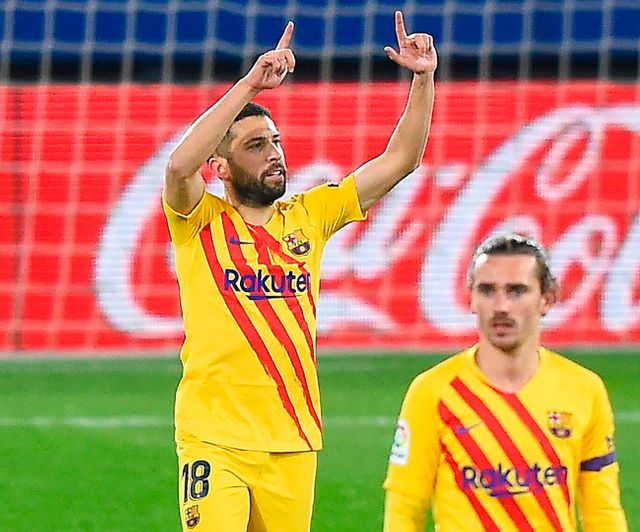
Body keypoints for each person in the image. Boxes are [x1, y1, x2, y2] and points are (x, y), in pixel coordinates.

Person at [162, 11, 436, 532]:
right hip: (212, 436)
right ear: (220, 168)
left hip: (294, 436)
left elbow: (402, 158)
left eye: (277, 142)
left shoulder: (310, 216)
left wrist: (422, 80)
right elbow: (178, 168)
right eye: (256, 145)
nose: (275, 154)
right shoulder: (198, 221)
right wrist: (249, 86)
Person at [382, 233, 629, 531]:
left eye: (516, 291)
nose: (501, 306)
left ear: (547, 299)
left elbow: (602, 511)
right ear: (471, 298)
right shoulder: (433, 392)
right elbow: (405, 509)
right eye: (487, 290)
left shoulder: (584, 390)